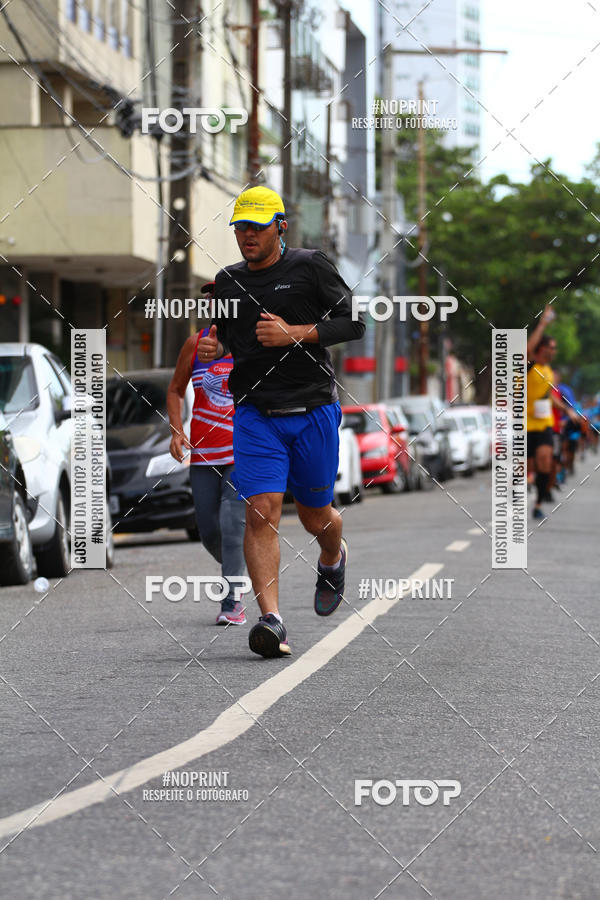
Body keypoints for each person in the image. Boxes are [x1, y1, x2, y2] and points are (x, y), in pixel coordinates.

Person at [196, 186, 365, 658]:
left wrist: (294, 333)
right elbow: (231, 340)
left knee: (315, 517)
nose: (247, 236)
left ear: (280, 227)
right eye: (240, 228)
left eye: (257, 227)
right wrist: (216, 349)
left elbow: (353, 323)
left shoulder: (311, 267)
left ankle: (333, 555)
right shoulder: (227, 282)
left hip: (312, 409)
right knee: (260, 511)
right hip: (255, 413)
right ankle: (272, 620)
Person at [167, 282, 247, 625]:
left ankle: (232, 600)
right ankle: (240, 566)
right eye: (212, 298)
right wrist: (176, 430)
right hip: (202, 455)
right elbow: (175, 390)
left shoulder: (249, 344)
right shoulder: (195, 344)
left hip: (242, 452)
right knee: (209, 532)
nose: (216, 302)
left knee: (231, 524)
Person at [526, 306, 578, 521]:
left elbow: (550, 397)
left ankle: (538, 502)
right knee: (529, 466)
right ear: (541, 349)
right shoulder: (529, 366)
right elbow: (527, 351)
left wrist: (567, 410)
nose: (553, 351)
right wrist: (543, 324)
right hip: (524, 424)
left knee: (545, 461)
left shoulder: (548, 372)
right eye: (551, 347)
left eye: (555, 348)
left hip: (545, 423)